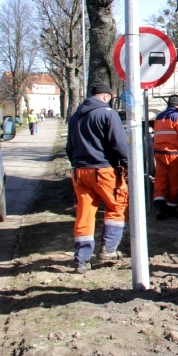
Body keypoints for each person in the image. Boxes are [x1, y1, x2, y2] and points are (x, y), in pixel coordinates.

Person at [65, 83, 130, 274]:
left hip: (79, 172)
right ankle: (108, 250)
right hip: (103, 170)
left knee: (84, 214)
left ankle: (81, 260)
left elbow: (69, 146)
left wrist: (77, 164)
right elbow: (118, 144)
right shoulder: (108, 114)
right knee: (117, 205)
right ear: (107, 97)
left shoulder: (75, 116)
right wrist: (127, 164)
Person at [152, 94, 178, 220]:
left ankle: (159, 206)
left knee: (160, 179)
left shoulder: (159, 116)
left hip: (159, 153)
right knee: (174, 181)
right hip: (174, 154)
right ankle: (171, 207)